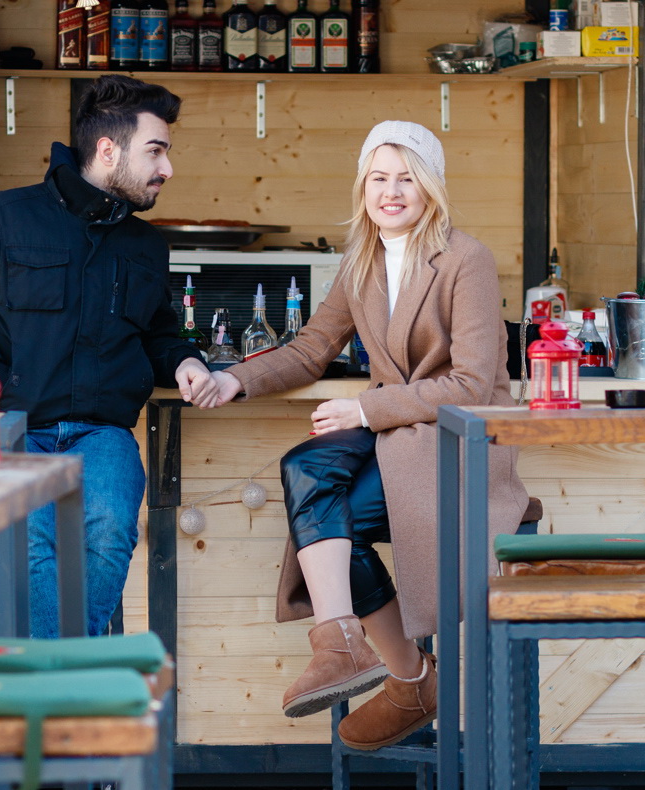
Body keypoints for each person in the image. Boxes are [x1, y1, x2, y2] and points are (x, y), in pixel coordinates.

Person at [207, 120, 529, 750]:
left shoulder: (466, 259)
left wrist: (362, 409)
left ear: (431, 187)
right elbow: (311, 350)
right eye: (379, 178)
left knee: (338, 520)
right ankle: (345, 646)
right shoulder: (362, 261)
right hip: (395, 433)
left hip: (456, 438)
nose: (391, 192)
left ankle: (407, 680)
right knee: (305, 467)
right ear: (363, 187)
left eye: (407, 178)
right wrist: (232, 380)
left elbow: (470, 384)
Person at [0, 74, 220, 638]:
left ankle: (55, 668)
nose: (167, 168)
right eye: (155, 151)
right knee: (30, 542)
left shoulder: (147, 246)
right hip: (15, 429)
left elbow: (158, 333)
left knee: (109, 532)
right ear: (108, 149)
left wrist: (185, 361)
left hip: (103, 435)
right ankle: (63, 677)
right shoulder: (3, 218)